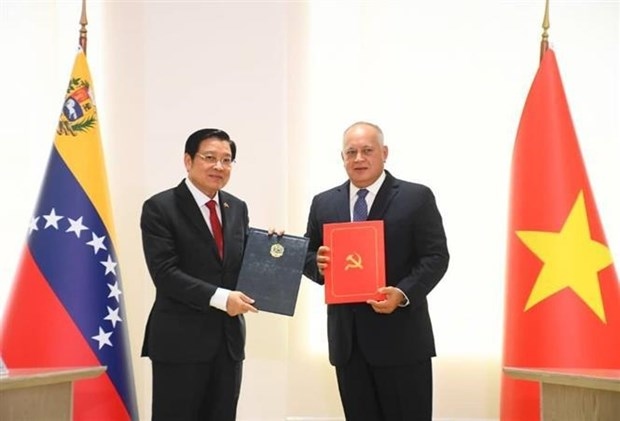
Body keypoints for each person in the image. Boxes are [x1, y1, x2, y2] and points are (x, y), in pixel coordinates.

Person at [303, 121, 449, 421]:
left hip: (402, 341)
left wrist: (403, 293)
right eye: (351, 152)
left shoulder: (416, 197)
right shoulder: (323, 202)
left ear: (384, 153)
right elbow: (309, 255)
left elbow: (436, 256)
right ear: (342, 157)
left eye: (367, 151)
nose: (359, 159)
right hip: (348, 344)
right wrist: (316, 264)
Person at [140, 128, 258, 421]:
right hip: (180, 344)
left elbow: (242, 265)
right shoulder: (160, 207)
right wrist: (221, 298)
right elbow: (165, 273)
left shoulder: (236, 207)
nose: (219, 166)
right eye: (210, 157)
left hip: (228, 344)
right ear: (188, 160)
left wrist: (274, 249)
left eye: (227, 160)